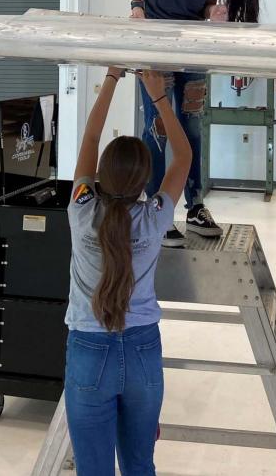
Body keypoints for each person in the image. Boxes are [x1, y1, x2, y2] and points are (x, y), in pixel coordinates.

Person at [64, 67, 192, 476]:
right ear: (145, 181)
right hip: (142, 352)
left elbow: (89, 137)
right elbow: (184, 155)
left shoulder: (81, 210)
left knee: (93, 470)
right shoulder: (154, 218)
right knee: (139, 466)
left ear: (99, 175)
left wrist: (112, 77)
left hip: (88, 350)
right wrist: (158, 97)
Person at [128, 0, 262, 246]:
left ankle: (196, 205)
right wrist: (137, 6)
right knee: (157, 126)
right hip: (156, 43)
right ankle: (159, 208)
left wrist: (213, 11)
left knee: (192, 127)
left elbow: (202, 3)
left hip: (191, 47)